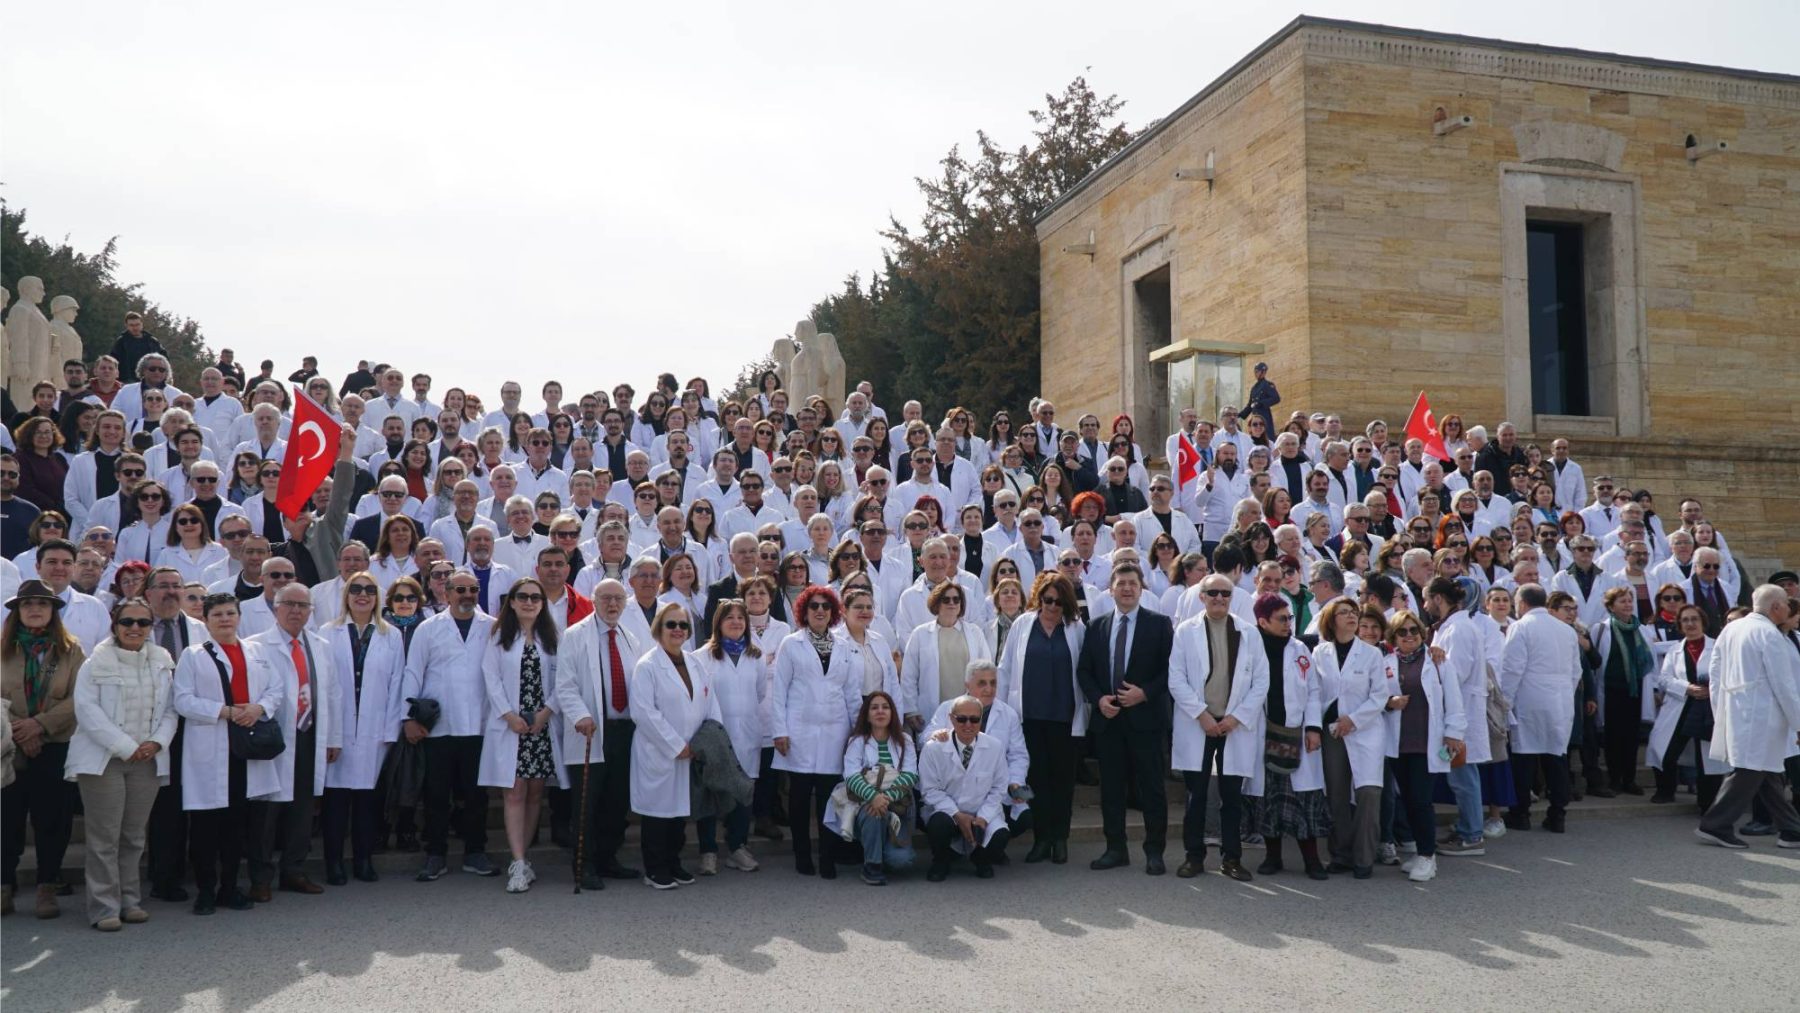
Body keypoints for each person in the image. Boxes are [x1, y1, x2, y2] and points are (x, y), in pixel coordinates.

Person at [63, 596, 176, 930]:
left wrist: (157, 742)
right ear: (115, 625)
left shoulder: (162, 661)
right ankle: (104, 908)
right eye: (127, 621)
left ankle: (130, 901)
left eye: (143, 622)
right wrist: (126, 747)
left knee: (134, 836)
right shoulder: (94, 662)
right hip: (104, 761)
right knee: (104, 838)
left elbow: (170, 709)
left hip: (148, 760)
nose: (135, 628)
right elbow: (87, 711)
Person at [171, 594, 283, 914]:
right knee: (206, 825)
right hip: (210, 747)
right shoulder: (193, 655)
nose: (224, 619)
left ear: (239, 617)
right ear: (206, 620)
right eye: (217, 614)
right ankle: (206, 890)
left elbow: (275, 689)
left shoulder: (257, 652)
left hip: (245, 749)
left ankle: (230, 888)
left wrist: (259, 708)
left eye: (230, 613)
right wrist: (225, 711)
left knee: (236, 825)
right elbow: (182, 700)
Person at [400, 570, 500, 881]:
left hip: (479, 724)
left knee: (476, 796)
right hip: (438, 727)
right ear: (447, 592)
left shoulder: (493, 627)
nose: (467, 595)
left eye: (473, 589)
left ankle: (475, 852)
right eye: (460, 589)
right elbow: (413, 672)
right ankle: (435, 854)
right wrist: (408, 718)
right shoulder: (428, 628)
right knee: (436, 795)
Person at [1077, 563, 1173, 873]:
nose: (1127, 588)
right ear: (1111, 590)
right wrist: (1098, 699)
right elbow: (1084, 671)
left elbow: (1170, 670)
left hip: (1146, 720)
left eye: (1133, 583)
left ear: (1141, 588)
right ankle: (1115, 848)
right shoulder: (1096, 626)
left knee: (1152, 789)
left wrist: (1144, 693)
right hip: (1109, 721)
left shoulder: (1159, 624)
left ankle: (1154, 851)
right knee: (1112, 789)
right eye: (1121, 583)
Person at [2, 580, 87, 919]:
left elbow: (80, 697)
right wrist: (20, 729)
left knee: (53, 820)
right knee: (6, 820)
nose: (35, 609)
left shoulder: (70, 650)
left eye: (42, 603)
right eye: (27, 604)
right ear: (17, 612)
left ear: (53, 610)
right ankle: (3, 885)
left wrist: (40, 724)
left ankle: (47, 886)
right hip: (8, 746)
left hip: (54, 745)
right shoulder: (2, 648)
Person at [1694, 586, 1800, 849]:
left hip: (1738, 710)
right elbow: (1784, 685)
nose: (1789, 608)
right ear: (1776, 607)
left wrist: (1721, 708)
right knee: (1750, 770)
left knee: (1768, 771)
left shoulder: (1732, 629)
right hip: (1763, 715)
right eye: (1786, 604)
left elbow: (1715, 672)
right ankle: (1715, 824)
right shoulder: (1770, 635)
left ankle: (1791, 830)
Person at [480, 577, 566, 893]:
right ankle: (517, 862)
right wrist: (509, 716)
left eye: (535, 597)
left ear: (542, 604)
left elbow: (564, 679)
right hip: (511, 725)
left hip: (541, 725)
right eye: (523, 597)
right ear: (512, 602)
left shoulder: (554, 637)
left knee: (534, 793)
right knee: (514, 792)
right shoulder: (499, 636)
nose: (529, 602)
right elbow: (490, 678)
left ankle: (525, 858)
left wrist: (546, 713)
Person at [770, 586, 862, 877]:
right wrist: (779, 731)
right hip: (799, 731)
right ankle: (802, 855)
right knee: (798, 798)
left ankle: (827, 857)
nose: (820, 611)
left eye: (825, 606)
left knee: (829, 799)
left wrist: (857, 733)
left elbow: (852, 693)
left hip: (835, 731)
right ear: (804, 611)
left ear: (833, 612)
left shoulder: (844, 646)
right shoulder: (791, 644)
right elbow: (778, 691)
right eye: (814, 606)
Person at [321, 572, 405, 885]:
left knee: (368, 801)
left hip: (373, 730)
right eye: (355, 589)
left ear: (377, 597)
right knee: (336, 802)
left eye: (369, 590)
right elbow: (324, 686)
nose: (362, 595)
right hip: (338, 730)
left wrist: (390, 731)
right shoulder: (327, 632)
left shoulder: (390, 635)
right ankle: (333, 862)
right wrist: (327, 733)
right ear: (346, 595)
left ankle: (363, 860)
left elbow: (397, 683)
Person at [630, 602, 721, 889]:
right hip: (660, 753)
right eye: (671, 624)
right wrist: (675, 745)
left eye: (683, 625)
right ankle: (655, 869)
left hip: (692, 751)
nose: (678, 630)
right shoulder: (647, 666)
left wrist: (706, 741)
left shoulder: (695, 663)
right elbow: (644, 713)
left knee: (680, 812)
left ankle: (673, 862)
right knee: (658, 814)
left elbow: (710, 703)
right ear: (659, 629)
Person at [997, 572, 1086, 864]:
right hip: (1029, 718)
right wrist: (1002, 712)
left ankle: (1060, 839)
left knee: (1063, 782)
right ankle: (1041, 838)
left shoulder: (1076, 628)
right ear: (1039, 598)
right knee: (1035, 781)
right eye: (1048, 600)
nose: (1052, 606)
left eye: (1059, 602)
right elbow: (1005, 669)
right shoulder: (1023, 624)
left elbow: (1084, 670)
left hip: (1064, 718)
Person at [1244, 593, 1331, 880]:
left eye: (1290, 618)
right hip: (1262, 732)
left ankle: (1312, 860)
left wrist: (1314, 728)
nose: (1288, 624)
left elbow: (1313, 690)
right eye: (1281, 619)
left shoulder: (1300, 649)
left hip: (1297, 733)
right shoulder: (1250, 648)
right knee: (1268, 797)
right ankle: (1273, 856)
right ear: (1263, 622)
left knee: (1303, 797)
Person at [1311, 596, 1391, 877]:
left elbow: (1379, 695)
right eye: (1344, 612)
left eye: (1353, 612)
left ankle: (1364, 857)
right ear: (1331, 620)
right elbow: (1315, 693)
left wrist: (1353, 720)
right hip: (1332, 732)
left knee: (1368, 792)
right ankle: (1341, 854)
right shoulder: (1319, 653)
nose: (1351, 616)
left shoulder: (1371, 654)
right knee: (1337, 794)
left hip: (1365, 730)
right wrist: (1317, 726)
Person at [691, 599, 766, 875]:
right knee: (710, 792)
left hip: (747, 733)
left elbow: (760, 692)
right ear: (718, 623)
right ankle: (708, 851)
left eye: (740, 618)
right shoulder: (701, 656)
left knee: (743, 791)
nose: (735, 622)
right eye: (729, 617)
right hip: (715, 735)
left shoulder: (756, 656)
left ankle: (737, 848)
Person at [1501, 584, 1581, 833]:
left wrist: (1505, 702)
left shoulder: (1521, 627)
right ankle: (1557, 814)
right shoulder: (1566, 630)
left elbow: (1512, 668)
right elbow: (1576, 671)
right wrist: (1565, 692)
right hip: (1561, 699)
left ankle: (1520, 813)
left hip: (1530, 698)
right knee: (1556, 757)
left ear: (1522, 603)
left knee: (1524, 756)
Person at [919, 694, 1012, 880]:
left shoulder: (995, 747)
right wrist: (957, 814)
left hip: (980, 813)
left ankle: (980, 859)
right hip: (949, 814)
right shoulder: (933, 748)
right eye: (961, 719)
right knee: (938, 824)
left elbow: (999, 788)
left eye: (974, 719)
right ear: (951, 719)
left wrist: (983, 817)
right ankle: (941, 862)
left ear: (981, 720)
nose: (968, 725)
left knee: (1001, 835)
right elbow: (930, 790)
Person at [829, 690, 917, 885]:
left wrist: (885, 798)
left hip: (897, 805)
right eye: (874, 708)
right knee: (873, 813)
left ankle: (879, 849)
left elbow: (911, 774)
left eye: (885, 707)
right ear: (867, 715)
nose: (880, 711)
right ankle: (872, 866)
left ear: (892, 713)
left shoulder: (905, 740)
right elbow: (851, 776)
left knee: (901, 861)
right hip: (866, 804)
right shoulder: (857, 741)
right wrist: (873, 797)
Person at [1648, 603, 1726, 812]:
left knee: (1707, 757)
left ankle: (1706, 803)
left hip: (1708, 707)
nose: (1690, 624)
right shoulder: (1674, 650)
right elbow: (1664, 679)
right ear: (1680, 625)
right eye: (1685, 620)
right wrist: (1687, 688)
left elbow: (1729, 674)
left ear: (1703, 622)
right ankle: (1665, 790)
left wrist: (1712, 690)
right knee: (1664, 748)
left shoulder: (1718, 646)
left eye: (1694, 619)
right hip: (1682, 704)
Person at [900, 580, 992, 733]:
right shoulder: (920, 634)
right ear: (936, 603)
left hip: (968, 710)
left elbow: (986, 670)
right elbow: (909, 675)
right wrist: (911, 709)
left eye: (956, 599)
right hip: (932, 710)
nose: (952, 603)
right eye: (946, 599)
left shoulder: (975, 632)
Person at [1590, 586, 1657, 797]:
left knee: (1632, 737)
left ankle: (1630, 779)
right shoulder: (1601, 629)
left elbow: (1650, 662)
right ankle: (1615, 779)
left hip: (1635, 691)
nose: (1628, 605)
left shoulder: (1642, 630)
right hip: (1611, 691)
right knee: (1613, 737)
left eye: (1629, 601)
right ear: (1611, 606)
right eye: (1622, 601)